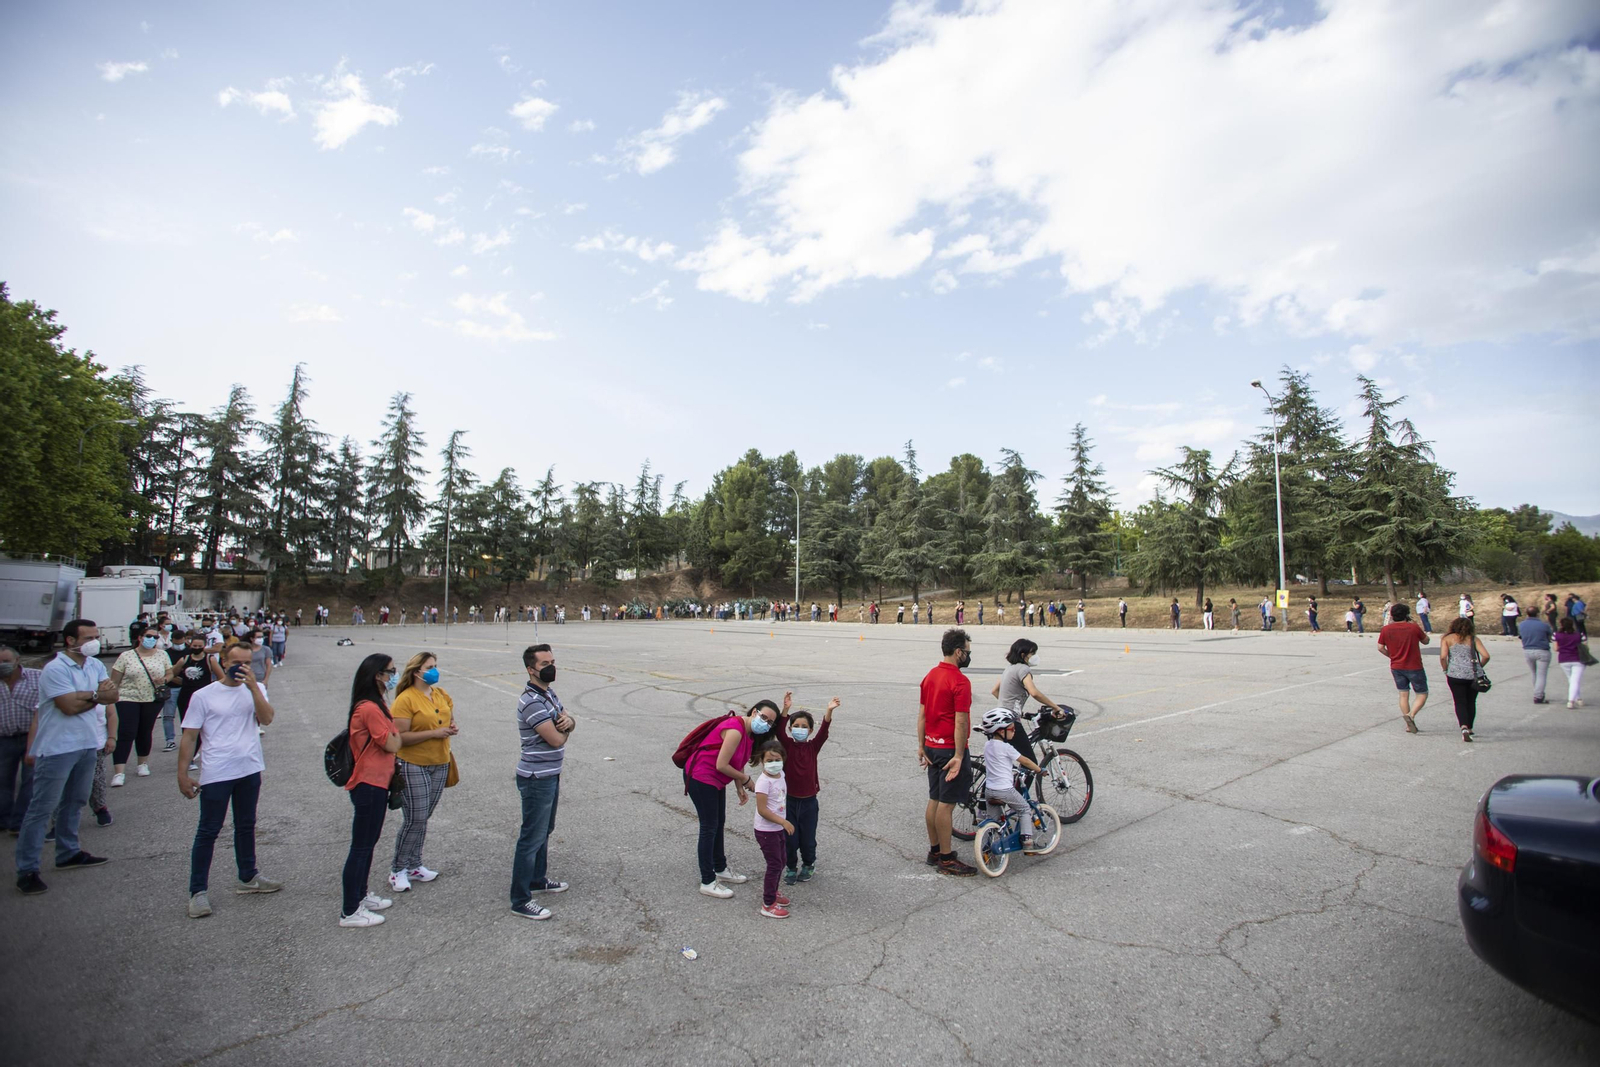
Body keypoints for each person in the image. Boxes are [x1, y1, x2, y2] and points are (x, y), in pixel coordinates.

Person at [178, 641, 281, 918]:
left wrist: (252, 688)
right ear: (223, 662)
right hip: (217, 772)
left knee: (246, 825)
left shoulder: (256, 689)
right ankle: (198, 891)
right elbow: (189, 737)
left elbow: (267, 719)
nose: (242, 667)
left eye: (248, 662)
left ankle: (248, 876)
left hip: (249, 767)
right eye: (237, 662)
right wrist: (183, 774)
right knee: (209, 830)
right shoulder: (204, 695)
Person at [15, 620, 116, 895]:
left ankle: (68, 852)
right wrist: (97, 694)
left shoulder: (94, 665)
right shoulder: (56, 669)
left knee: (74, 802)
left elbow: (113, 695)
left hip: (87, 745)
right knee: (42, 809)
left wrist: (89, 695)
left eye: (97, 635)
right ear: (70, 641)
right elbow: (68, 707)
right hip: (58, 748)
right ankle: (27, 868)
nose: (95, 641)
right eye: (89, 637)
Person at [685, 699, 777, 898]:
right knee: (709, 826)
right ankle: (707, 881)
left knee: (719, 823)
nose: (765, 723)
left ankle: (720, 868)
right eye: (763, 717)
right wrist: (745, 780)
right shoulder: (735, 730)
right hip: (701, 777)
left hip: (714, 780)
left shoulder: (749, 734)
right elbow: (721, 764)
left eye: (770, 722)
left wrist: (738, 787)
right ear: (754, 711)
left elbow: (737, 760)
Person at [511, 644, 575, 920]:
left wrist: (570, 722)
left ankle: (538, 879)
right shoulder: (532, 701)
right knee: (531, 836)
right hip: (536, 777)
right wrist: (568, 727)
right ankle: (520, 899)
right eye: (544, 663)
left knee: (544, 830)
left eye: (552, 661)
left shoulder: (547, 694)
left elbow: (567, 718)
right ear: (530, 669)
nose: (551, 667)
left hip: (550, 773)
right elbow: (557, 737)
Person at [339, 654, 402, 928]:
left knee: (369, 843)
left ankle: (361, 894)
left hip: (378, 781)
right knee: (361, 847)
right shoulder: (369, 708)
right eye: (391, 671)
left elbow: (393, 736)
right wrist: (396, 735)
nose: (393, 676)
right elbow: (392, 743)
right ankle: (350, 910)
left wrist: (395, 734)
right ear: (378, 675)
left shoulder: (378, 704)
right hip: (369, 783)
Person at [388, 652, 457, 893]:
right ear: (417, 671)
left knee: (423, 816)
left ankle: (415, 864)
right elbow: (399, 738)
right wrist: (433, 734)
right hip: (413, 763)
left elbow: (447, 717)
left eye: (435, 666)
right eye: (429, 667)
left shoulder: (440, 694)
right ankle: (398, 868)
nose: (434, 671)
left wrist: (450, 727)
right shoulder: (405, 699)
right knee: (415, 818)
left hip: (440, 761)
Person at [918, 629, 976, 877]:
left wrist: (921, 745)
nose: (969, 655)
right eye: (968, 650)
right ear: (958, 651)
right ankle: (946, 858)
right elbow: (960, 721)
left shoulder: (930, 676)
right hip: (949, 750)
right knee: (946, 804)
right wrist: (959, 756)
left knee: (934, 798)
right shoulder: (960, 681)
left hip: (932, 746)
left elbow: (922, 714)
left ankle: (935, 850)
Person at [777, 695, 839, 886]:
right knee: (790, 839)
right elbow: (779, 730)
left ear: (810, 730)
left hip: (809, 802)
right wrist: (785, 710)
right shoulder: (787, 745)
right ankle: (791, 867)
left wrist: (829, 710)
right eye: (796, 726)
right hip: (789, 801)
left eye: (805, 727)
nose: (800, 730)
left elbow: (824, 731)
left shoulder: (813, 747)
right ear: (790, 728)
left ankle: (808, 864)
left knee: (807, 839)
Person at [108, 623, 172, 785]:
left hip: (151, 698)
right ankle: (119, 771)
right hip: (127, 697)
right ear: (140, 638)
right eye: (148, 636)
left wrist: (164, 680)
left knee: (145, 731)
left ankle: (142, 763)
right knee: (126, 733)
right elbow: (115, 680)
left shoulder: (162, 655)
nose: (152, 639)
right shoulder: (126, 656)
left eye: (155, 637)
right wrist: (109, 698)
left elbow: (170, 672)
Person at [991, 638, 1066, 772]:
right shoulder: (1024, 669)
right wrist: (1056, 707)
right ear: (1023, 655)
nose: (1035, 657)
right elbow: (1034, 692)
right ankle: (1016, 793)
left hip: (999, 717)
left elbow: (995, 690)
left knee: (1007, 760)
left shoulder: (1009, 668)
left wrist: (1012, 707)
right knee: (1030, 764)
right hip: (1010, 721)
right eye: (1033, 653)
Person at [979, 708, 1042, 850]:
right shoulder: (1007, 747)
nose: (1014, 731)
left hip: (989, 790)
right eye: (1012, 728)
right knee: (1024, 809)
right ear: (1001, 731)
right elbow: (1025, 760)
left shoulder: (987, 745)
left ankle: (987, 845)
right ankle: (1027, 842)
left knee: (993, 820)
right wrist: (1039, 770)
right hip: (1005, 790)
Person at [750, 740, 793, 919]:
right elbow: (762, 810)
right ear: (762, 761)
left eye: (776, 759)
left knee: (782, 860)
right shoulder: (763, 782)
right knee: (775, 864)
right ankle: (768, 904)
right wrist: (783, 822)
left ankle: (774, 891)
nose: (773, 763)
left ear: (783, 759)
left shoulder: (780, 774)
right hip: (766, 830)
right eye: (769, 760)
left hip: (776, 828)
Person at [0, 645, 40, 836]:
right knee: (3, 781)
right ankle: (3, 820)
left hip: (31, 737)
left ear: (17, 660)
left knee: (31, 780)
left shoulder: (37, 677)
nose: (2, 665)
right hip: (4, 739)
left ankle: (20, 822)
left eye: (5, 661)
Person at [1377, 603, 1430, 733]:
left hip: (1396, 666)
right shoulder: (1413, 628)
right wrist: (1417, 625)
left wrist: (1391, 656)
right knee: (1422, 693)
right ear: (1406, 615)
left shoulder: (1386, 629)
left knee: (1403, 694)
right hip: (1414, 665)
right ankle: (1410, 716)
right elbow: (1426, 641)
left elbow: (1380, 647)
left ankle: (1408, 724)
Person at [1440, 618, 1490, 742]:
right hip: (1473, 674)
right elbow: (1486, 656)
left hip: (1455, 674)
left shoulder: (1447, 639)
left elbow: (1443, 657)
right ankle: (1470, 727)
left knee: (1459, 701)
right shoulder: (1473, 639)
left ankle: (1463, 727)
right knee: (1471, 701)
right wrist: (1479, 667)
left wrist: (1446, 669)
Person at [1518, 607, 1553, 705]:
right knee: (1541, 674)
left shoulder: (1521, 625)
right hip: (1542, 650)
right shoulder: (1544, 625)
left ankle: (1538, 692)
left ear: (1527, 614)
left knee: (1534, 673)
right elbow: (1549, 636)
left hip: (1528, 650)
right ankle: (1538, 696)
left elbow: (1521, 636)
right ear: (1538, 614)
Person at [1554, 618, 1586, 709]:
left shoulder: (1556, 635)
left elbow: (1556, 649)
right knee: (1575, 680)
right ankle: (1571, 700)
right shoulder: (1579, 634)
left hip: (1564, 659)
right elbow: (1585, 646)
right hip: (1577, 659)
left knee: (1571, 679)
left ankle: (1578, 698)